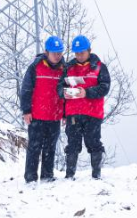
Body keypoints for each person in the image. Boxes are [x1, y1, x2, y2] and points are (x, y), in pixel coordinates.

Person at [58, 35, 110, 179]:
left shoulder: (99, 67)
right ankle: (69, 174)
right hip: (73, 112)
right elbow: (59, 86)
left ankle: (96, 174)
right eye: (77, 53)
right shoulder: (68, 67)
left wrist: (86, 92)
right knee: (73, 143)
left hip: (92, 113)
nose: (79, 56)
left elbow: (104, 88)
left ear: (89, 50)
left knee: (93, 142)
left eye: (82, 52)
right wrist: (63, 93)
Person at [19, 35, 66, 183]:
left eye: (60, 53)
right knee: (34, 147)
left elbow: (67, 92)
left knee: (50, 148)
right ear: (47, 52)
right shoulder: (35, 67)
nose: (57, 56)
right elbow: (26, 89)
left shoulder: (64, 69)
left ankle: (47, 175)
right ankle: (30, 177)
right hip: (37, 116)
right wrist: (26, 111)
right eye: (54, 53)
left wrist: (65, 113)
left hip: (54, 116)